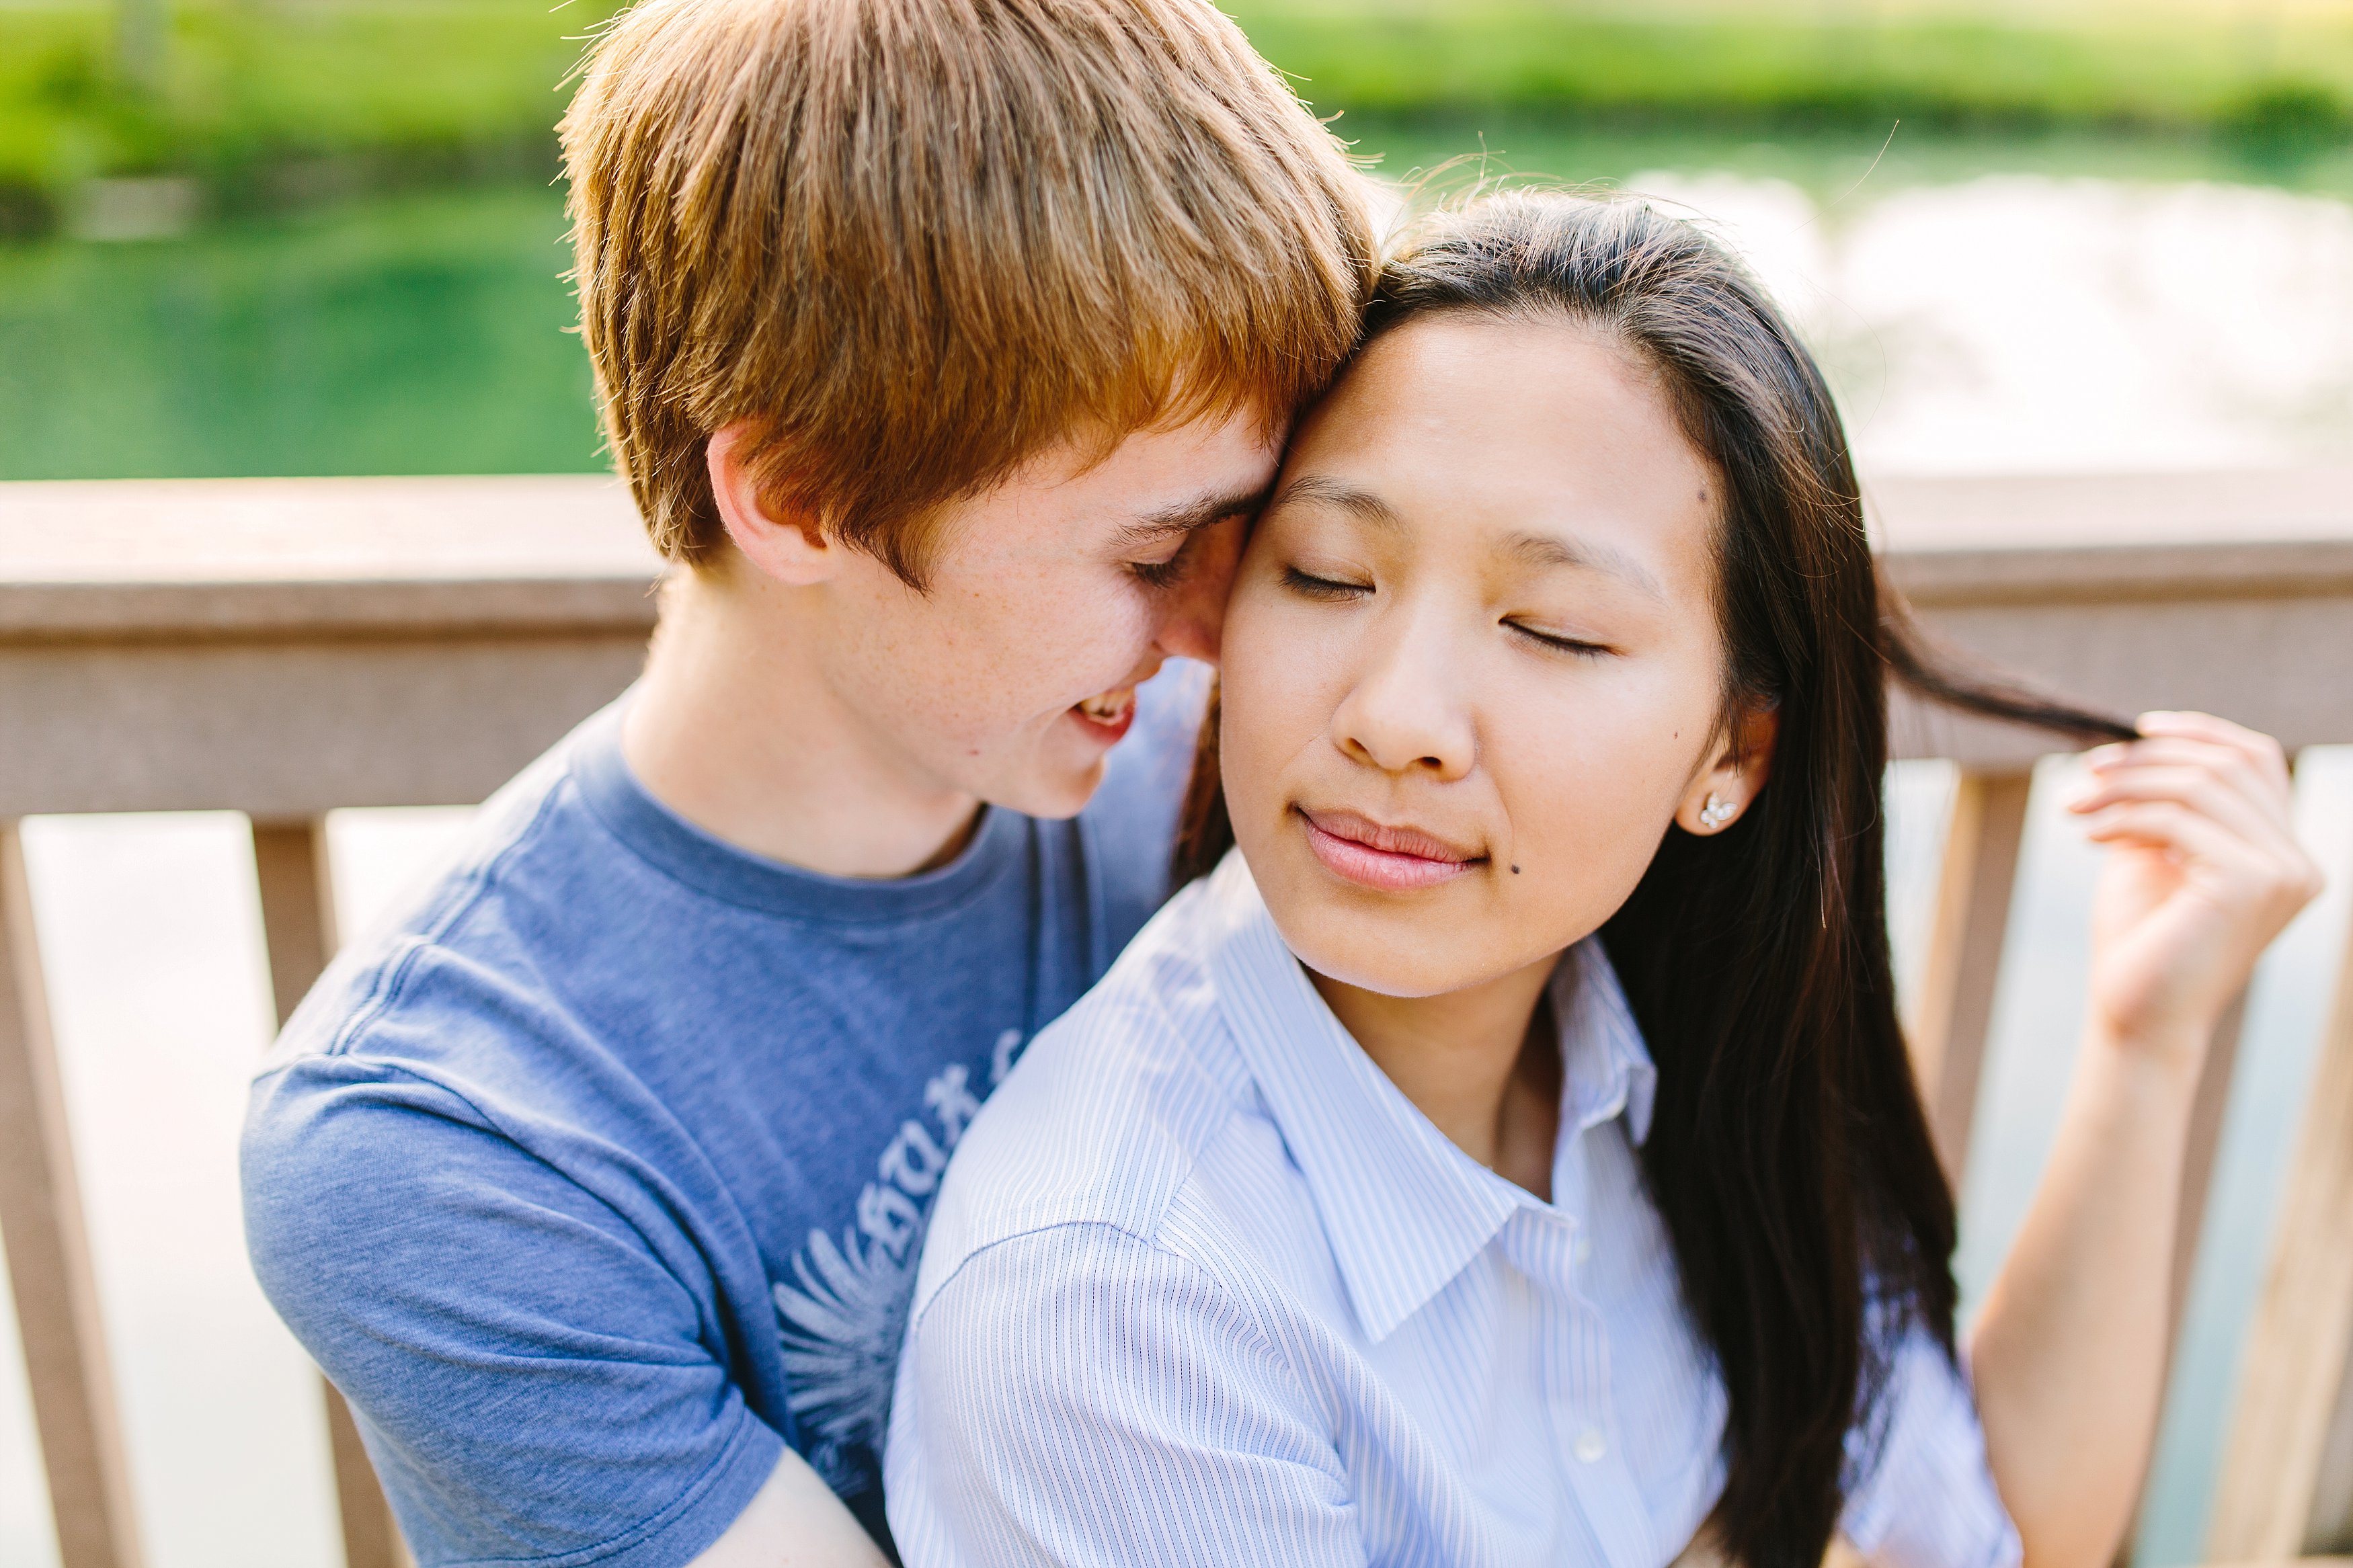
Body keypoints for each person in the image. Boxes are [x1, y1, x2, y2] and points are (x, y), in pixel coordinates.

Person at [885, 193, 2323, 1568]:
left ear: (1731, 756)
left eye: (1556, 631)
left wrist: (2147, 1036)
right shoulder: (1114, 1306)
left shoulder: (1675, 1039)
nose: (1396, 717)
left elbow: (1987, 1531)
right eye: (1327, 574)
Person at [238, 1, 1375, 1563]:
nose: (1215, 635)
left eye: (1259, 539)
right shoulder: (449, 1146)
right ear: (799, 495)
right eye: (1155, 552)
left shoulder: (1242, 771)